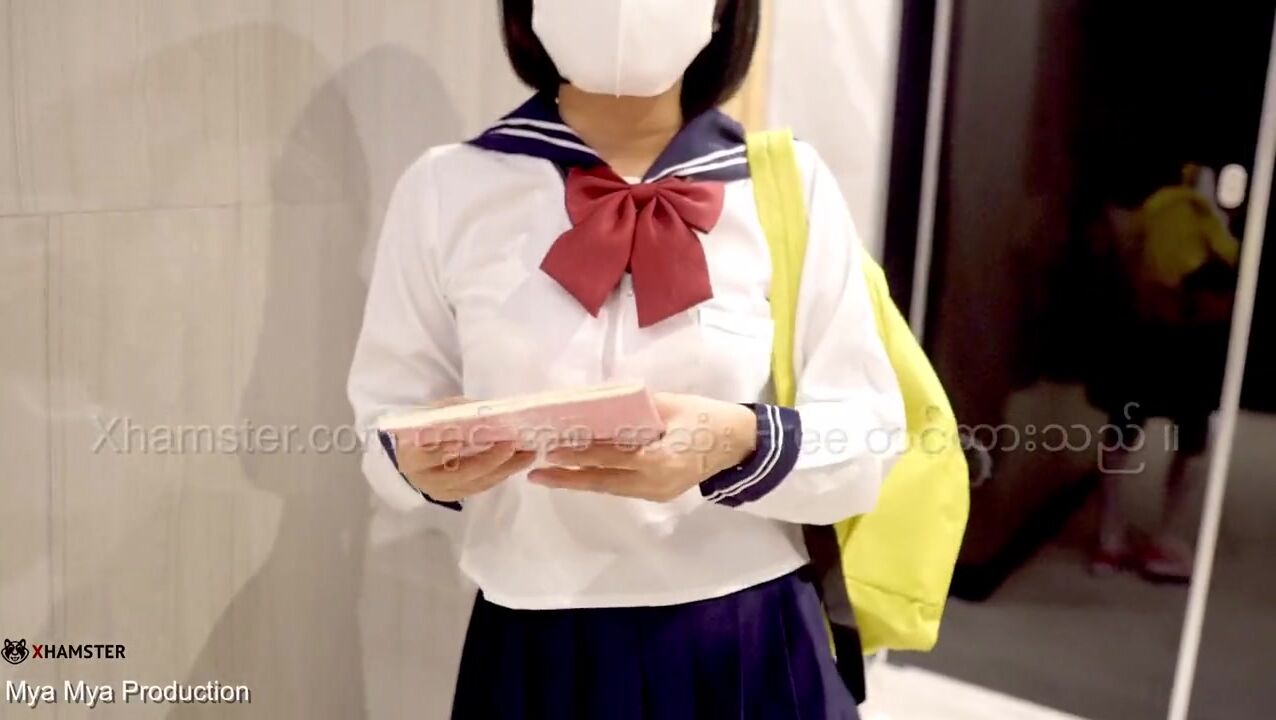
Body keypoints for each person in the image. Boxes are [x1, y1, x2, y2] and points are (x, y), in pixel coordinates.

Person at [347, 0, 905, 717]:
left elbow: (870, 437)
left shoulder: (790, 185)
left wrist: (737, 441)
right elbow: (382, 425)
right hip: (533, 642)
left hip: (747, 640)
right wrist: (417, 461)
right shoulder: (445, 188)